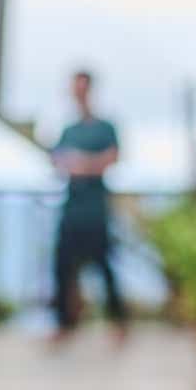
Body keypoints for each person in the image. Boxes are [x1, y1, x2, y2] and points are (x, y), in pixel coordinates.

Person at [50, 69, 127, 334]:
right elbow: (56, 159)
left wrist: (82, 164)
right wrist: (83, 163)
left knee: (104, 265)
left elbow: (112, 158)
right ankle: (64, 324)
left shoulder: (105, 127)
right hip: (72, 206)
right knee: (61, 264)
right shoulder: (68, 129)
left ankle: (118, 322)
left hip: (95, 209)